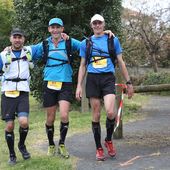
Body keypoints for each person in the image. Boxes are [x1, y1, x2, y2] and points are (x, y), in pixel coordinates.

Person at [76, 14, 134, 161]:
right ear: (91, 25)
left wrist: (129, 82)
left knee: (110, 112)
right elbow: (82, 65)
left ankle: (108, 139)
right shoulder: (85, 43)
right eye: (94, 23)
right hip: (93, 79)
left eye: (99, 23)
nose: (97, 25)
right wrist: (78, 86)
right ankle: (99, 148)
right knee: (95, 113)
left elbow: (121, 62)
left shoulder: (112, 40)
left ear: (103, 24)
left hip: (108, 78)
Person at [0, 28, 40, 165]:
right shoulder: (3, 55)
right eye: (15, 37)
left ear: (23, 39)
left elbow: (47, 43)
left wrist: (61, 35)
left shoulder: (29, 51)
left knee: (24, 122)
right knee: (10, 126)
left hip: (23, 91)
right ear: (10, 39)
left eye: (20, 37)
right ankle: (12, 155)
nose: (17, 40)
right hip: (7, 92)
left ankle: (21, 145)